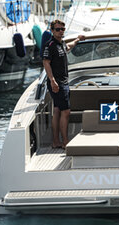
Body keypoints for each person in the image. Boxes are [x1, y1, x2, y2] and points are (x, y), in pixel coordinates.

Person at [43, 19, 85, 149]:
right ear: (52, 31)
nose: (60, 31)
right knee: (66, 112)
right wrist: (52, 80)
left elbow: (68, 47)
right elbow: (46, 62)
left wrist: (77, 40)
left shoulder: (61, 43)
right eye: (57, 29)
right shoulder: (50, 45)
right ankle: (65, 141)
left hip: (62, 82)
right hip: (58, 83)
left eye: (62, 29)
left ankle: (56, 141)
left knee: (57, 110)